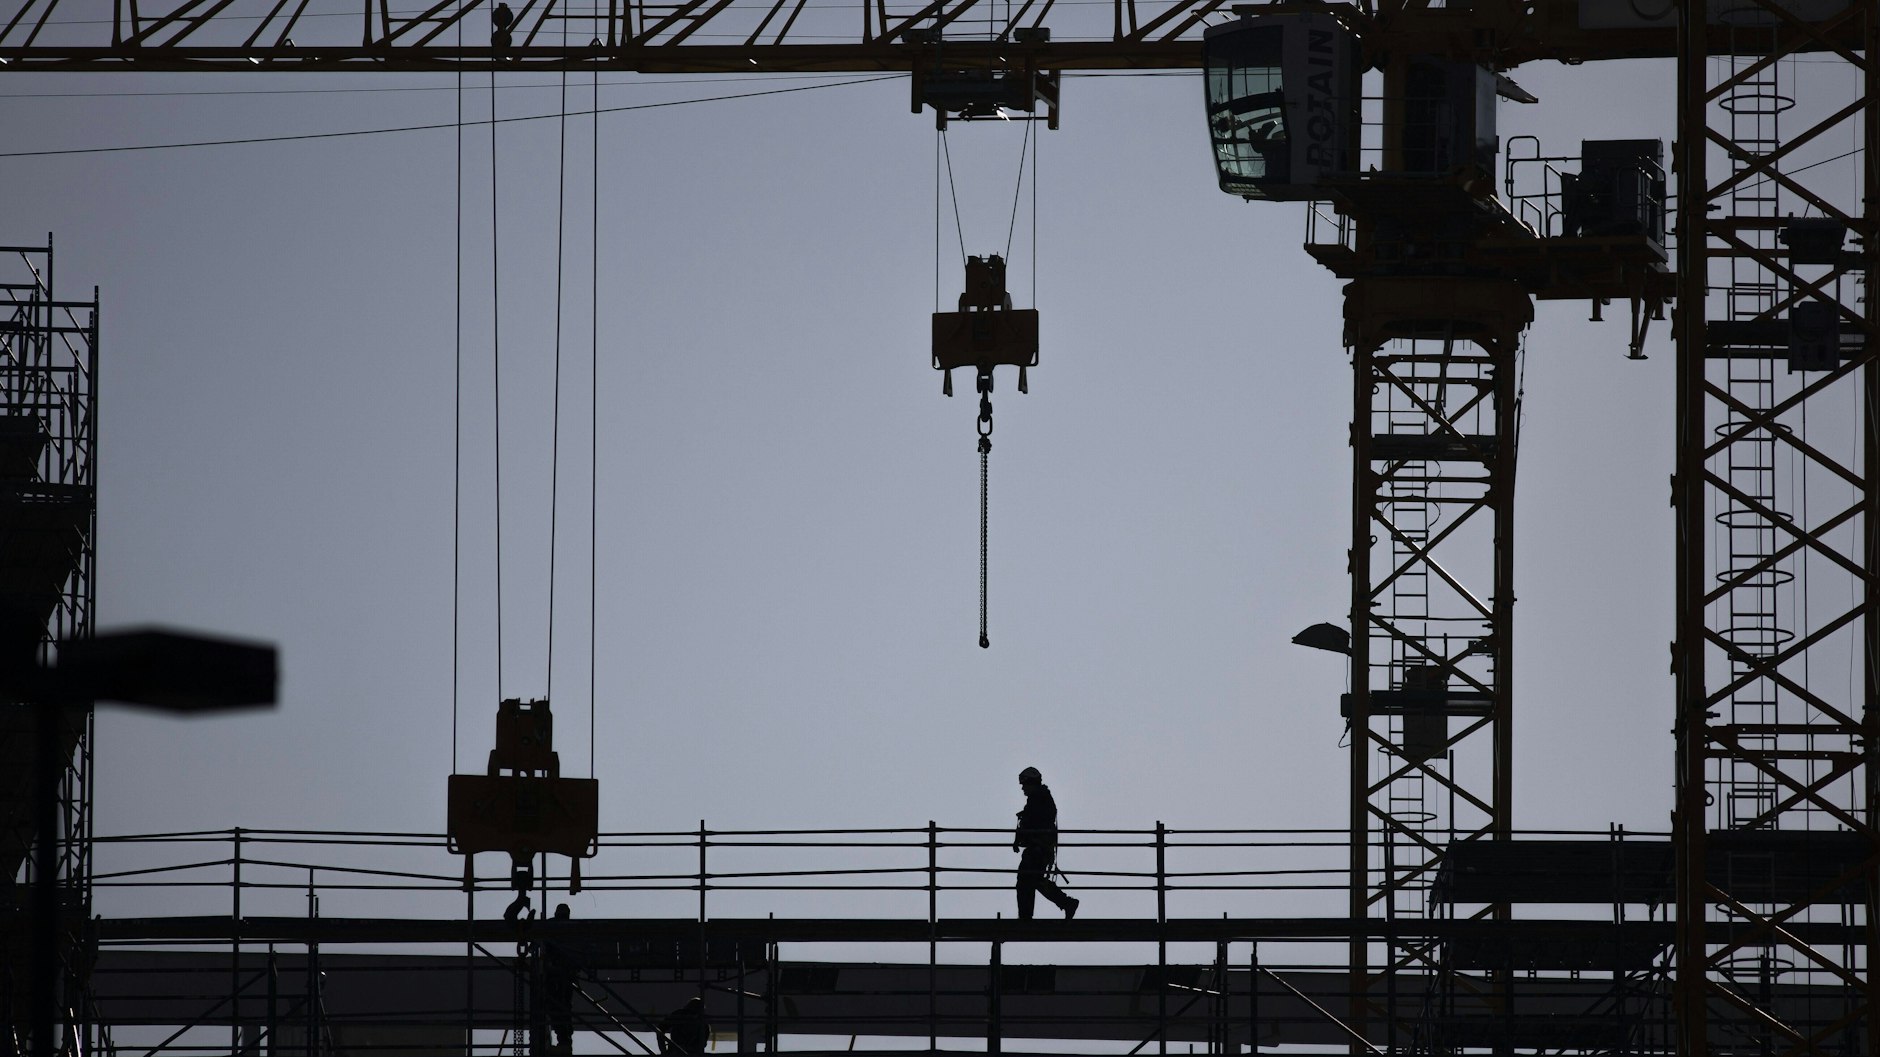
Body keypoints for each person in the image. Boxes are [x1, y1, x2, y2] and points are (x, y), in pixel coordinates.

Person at [1012, 766, 1078, 920]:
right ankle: (1065, 903)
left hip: (1038, 848)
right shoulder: (1040, 799)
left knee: (1026, 880)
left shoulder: (1039, 799)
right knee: (1033, 880)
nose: (1022, 788)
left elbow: (1035, 823)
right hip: (1040, 848)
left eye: (1024, 785)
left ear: (1031, 783)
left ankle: (1027, 917)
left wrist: (1024, 833)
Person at [543, 904, 577, 1055]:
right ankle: (565, 1040)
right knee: (562, 1007)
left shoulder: (551, 925)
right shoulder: (571, 928)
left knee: (557, 1006)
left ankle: (564, 1040)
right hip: (562, 975)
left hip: (557, 975)